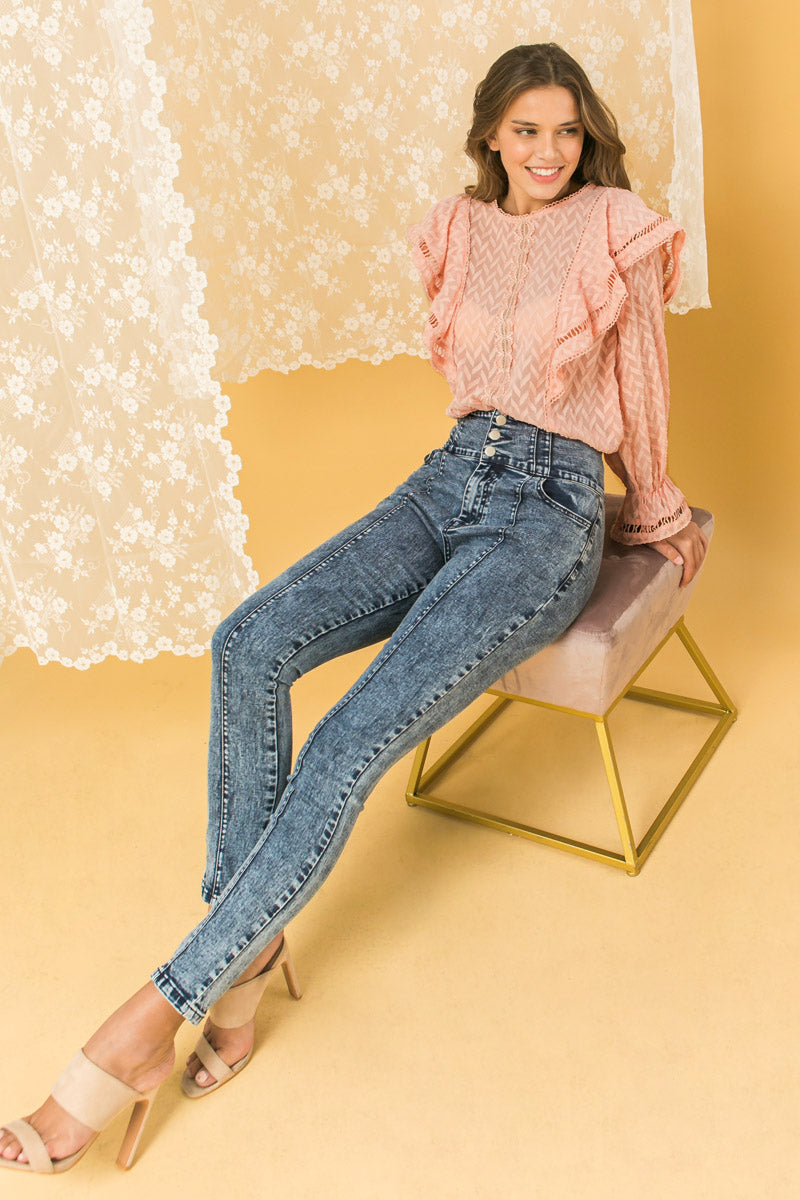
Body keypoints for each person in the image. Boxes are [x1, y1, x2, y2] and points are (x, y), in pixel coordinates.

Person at [0, 42, 707, 1173]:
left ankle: (145, 1022)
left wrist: (656, 508)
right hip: (447, 479)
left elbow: (639, 385)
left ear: (588, 137)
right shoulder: (456, 230)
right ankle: (242, 968)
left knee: (346, 737)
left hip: (546, 515)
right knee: (248, 641)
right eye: (526, 130)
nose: (549, 152)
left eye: (567, 130)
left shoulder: (616, 225)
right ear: (489, 136)